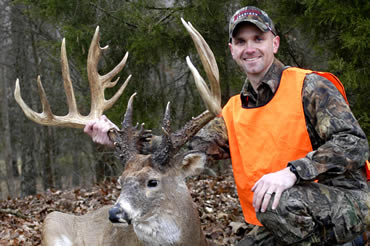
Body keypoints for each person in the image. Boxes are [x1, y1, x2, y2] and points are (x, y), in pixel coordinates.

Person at [84, 6, 369, 245]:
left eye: (258, 38)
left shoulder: (310, 86)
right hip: (287, 215)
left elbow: (353, 142)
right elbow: (186, 146)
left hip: (345, 202)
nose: (250, 48)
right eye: (242, 42)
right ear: (232, 49)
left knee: (279, 202)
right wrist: (117, 137)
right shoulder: (234, 110)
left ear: (275, 43)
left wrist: (292, 173)